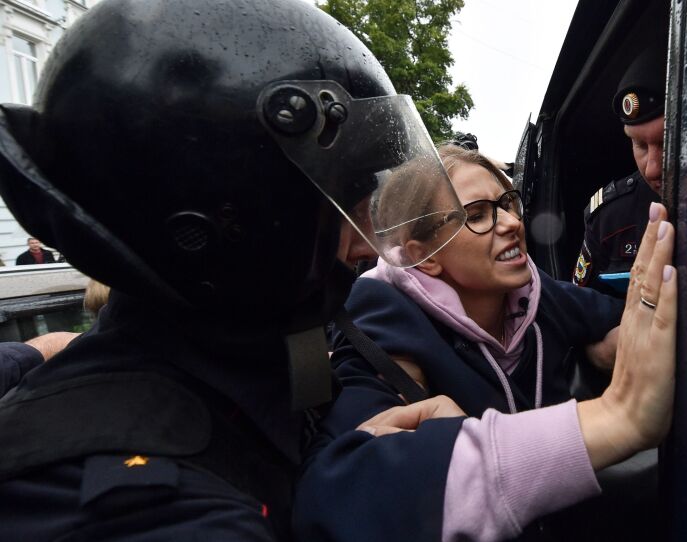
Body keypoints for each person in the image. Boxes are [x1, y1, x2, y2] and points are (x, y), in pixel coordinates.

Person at [0, 0, 467, 539]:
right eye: (350, 199)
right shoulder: (142, 508)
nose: (367, 241)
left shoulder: (247, 363)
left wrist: (340, 464)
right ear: (242, 217)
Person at [294, 145, 676, 540]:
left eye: (508, 203)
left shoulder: (535, 291)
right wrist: (619, 414)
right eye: (476, 215)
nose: (510, 222)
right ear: (425, 257)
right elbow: (344, 488)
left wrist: (600, 349)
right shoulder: (385, 321)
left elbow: (620, 320)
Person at [573, 42, 666, 291]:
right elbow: (584, 310)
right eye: (641, 146)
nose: (652, 169)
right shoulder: (609, 220)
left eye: (667, 143)